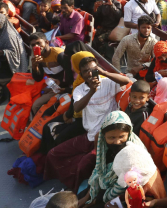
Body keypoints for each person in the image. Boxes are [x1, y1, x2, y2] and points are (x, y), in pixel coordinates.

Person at [44, 54, 131, 192]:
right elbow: (77, 107)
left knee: (82, 166)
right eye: (85, 71)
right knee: (53, 154)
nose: (90, 73)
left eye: (93, 69)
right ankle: (60, 179)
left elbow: (126, 81)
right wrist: (92, 91)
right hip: (89, 135)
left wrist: (103, 72)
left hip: (104, 137)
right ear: (81, 74)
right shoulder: (79, 89)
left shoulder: (108, 82)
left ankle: (75, 190)